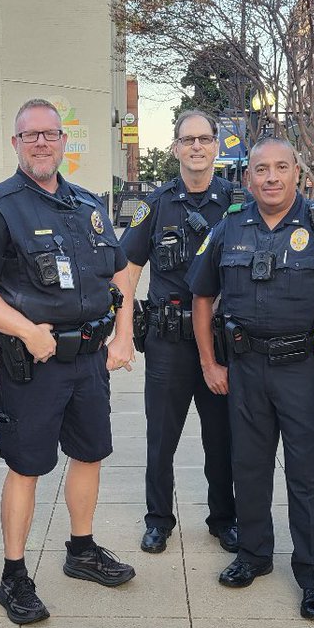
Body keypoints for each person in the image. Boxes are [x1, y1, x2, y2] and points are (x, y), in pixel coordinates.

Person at [0, 98, 135, 625]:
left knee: (90, 454)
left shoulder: (87, 204)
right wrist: (25, 330)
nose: (40, 142)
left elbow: (120, 273)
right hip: (34, 363)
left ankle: (81, 550)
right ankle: (14, 575)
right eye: (30, 135)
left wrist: (123, 335)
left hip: (90, 360)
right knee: (27, 467)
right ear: (15, 144)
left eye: (50, 134)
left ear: (63, 142)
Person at [186, 136, 314, 619]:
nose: (270, 178)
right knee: (249, 467)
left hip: (305, 371)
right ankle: (254, 555)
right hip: (244, 369)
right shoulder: (228, 228)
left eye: (281, 168)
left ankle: (313, 573)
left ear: (297, 174)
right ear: (248, 178)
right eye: (261, 170)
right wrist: (208, 363)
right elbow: (202, 296)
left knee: (309, 476)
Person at [114, 110, 238, 555]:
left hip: (221, 344)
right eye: (188, 140)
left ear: (217, 146)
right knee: (161, 438)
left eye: (205, 139)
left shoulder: (236, 204)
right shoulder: (157, 204)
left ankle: (224, 518)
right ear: (175, 149)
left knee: (221, 438)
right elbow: (125, 270)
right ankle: (158, 520)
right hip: (167, 341)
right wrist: (123, 330)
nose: (197, 147)